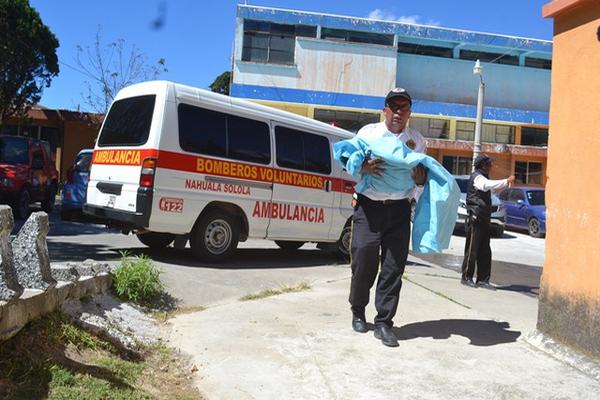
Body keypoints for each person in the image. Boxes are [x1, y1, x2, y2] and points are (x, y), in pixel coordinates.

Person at [349, 87, 427, 347]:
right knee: (363, 260)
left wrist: (419, 181)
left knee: (394, 268)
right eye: (393, 106)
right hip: (368, 207)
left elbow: (421, 177)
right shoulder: (368, 133)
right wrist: (363, 167)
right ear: (384, 110)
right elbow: (349, 163)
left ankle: (384, 322)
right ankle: (358, 309)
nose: (397, 111)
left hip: (399, 210)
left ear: (409, 112)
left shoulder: (417, 140)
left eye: (403, 107)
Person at [461, 153, 515, 289]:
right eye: (489, 163)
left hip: (484, 217)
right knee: (472, 249)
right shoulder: (478, 177)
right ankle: (466, 277)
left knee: (485, 250)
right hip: (476, 217)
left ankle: (483, 279)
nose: (491, 166)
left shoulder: (483, 176)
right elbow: (486, 185)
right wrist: (506, 181)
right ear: (483, 165)